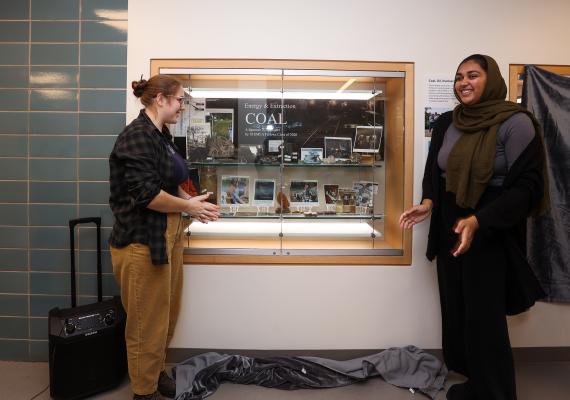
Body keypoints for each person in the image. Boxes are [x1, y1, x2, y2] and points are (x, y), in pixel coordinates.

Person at [399, 55, 548, 400]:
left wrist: (478, 220)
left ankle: (496, 392)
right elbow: (434, 173)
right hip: (451, 226)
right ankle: (475, 383)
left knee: (484, 317)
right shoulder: (448, 122)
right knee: (458, 309)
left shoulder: (515, 122)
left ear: (491, 78)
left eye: (473, 75)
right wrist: (427, 204)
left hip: (490, 228)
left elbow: (528, 187)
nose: (463, 82)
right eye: (459, 76)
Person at [109, 75, 220, 400]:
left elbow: (169, 180)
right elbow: (146, 194)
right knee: (146, 323)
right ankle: (144, 392)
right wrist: (188, 207)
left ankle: (155, 373)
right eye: (179, 100)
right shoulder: (136, 137)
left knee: (166, 313)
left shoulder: (161, 135)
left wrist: (190, 202)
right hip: (142, 241)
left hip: (168, 235)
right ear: (160, 99)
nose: (182, 106)